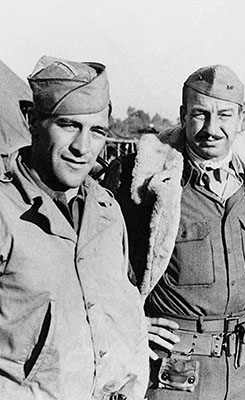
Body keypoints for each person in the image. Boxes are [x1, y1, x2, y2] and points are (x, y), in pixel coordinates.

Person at [106, 65, 245, 400]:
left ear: (241, 118)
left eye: (224, 115)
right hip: (173, 374)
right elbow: (107, 266)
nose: (212, 128)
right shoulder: (146, 182)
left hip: (244, 374)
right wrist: (131, 322)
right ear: (182, 115)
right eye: (199, 114)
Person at [0, 56, 149, 399]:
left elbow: (120, 303)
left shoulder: (107, 209)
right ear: (32, 120)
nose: (83, 148)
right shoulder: (5, 210)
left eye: (97, 131)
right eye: (69, 125)